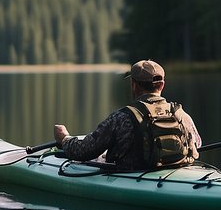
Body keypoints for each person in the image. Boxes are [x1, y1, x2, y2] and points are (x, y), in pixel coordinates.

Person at [52, 59, 201, 169]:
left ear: (133, 85)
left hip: (134, 177)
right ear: (162, 85)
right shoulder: (181, 115)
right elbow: (197, 144)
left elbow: (84, 151)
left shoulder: (121, 118)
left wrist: (65, 139)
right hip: (177, 172)